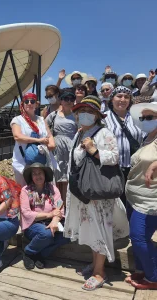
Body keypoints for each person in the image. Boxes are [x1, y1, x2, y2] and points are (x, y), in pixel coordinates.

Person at [64, 96, 129, 291]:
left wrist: (94, 150)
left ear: (97, 115)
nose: (85, 115)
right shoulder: (78, 133)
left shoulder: (104, 133)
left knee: (100, 229)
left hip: (98, 195)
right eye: (81, 112)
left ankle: (100, 272)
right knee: (92, 230)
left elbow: (115, 157)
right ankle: (96, 264)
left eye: (90, 112)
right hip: (84, 193)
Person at [125, 102, 157, 290]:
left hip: (150, 199)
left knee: (139, 237)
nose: (145, 120)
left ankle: (154, 277)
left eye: (150, 117)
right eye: (143, 117)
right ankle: (145, 269)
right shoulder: (147, 137)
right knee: (138, 236)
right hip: (134, 197)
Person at [20, 163, 69, 270]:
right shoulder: (25, 190)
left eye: (40, 173)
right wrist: (49, 214)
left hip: (52, 221)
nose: (38, 176)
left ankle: (40, 254)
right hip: (33, 224)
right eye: (34, 174)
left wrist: (54, 220)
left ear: (45, 174)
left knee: (68, 235)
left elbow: (60, 206)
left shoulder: (53, 189)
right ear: (31, 177)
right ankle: (28, 252)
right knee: (46, 233)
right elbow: (26, 213)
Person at [103, 86, 144, 207]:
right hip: (113, 168)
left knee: (133, 201)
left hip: (135, 168)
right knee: (115, 203)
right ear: (112, 99)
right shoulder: (103, 118)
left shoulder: (137, 117)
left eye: (126, 97)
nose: (123, 99)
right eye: (119, 96)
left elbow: (145, 137)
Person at [11, 92, 55, 187]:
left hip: (41, 160)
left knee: (42, 188)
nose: (29, 103)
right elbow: (17, 136)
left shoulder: (41, 120)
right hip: (22, 162)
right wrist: (39, 140)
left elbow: (49, 135)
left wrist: (52, 144)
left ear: (36, 104)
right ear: (23, 104)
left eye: (32, 101)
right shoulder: (17, 120)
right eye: (27, 101)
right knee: (24, 190)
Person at [46, 89, 78, 203]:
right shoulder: (53, 115)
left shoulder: (77, 115)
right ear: (61, 100)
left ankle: (68, 204)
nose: (68, 101)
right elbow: (45, 127)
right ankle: (58, 204)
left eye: (71, 99)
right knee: (57, 175)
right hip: (56, 148)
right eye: (66, 99)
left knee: (69, 176)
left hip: (72, 147)